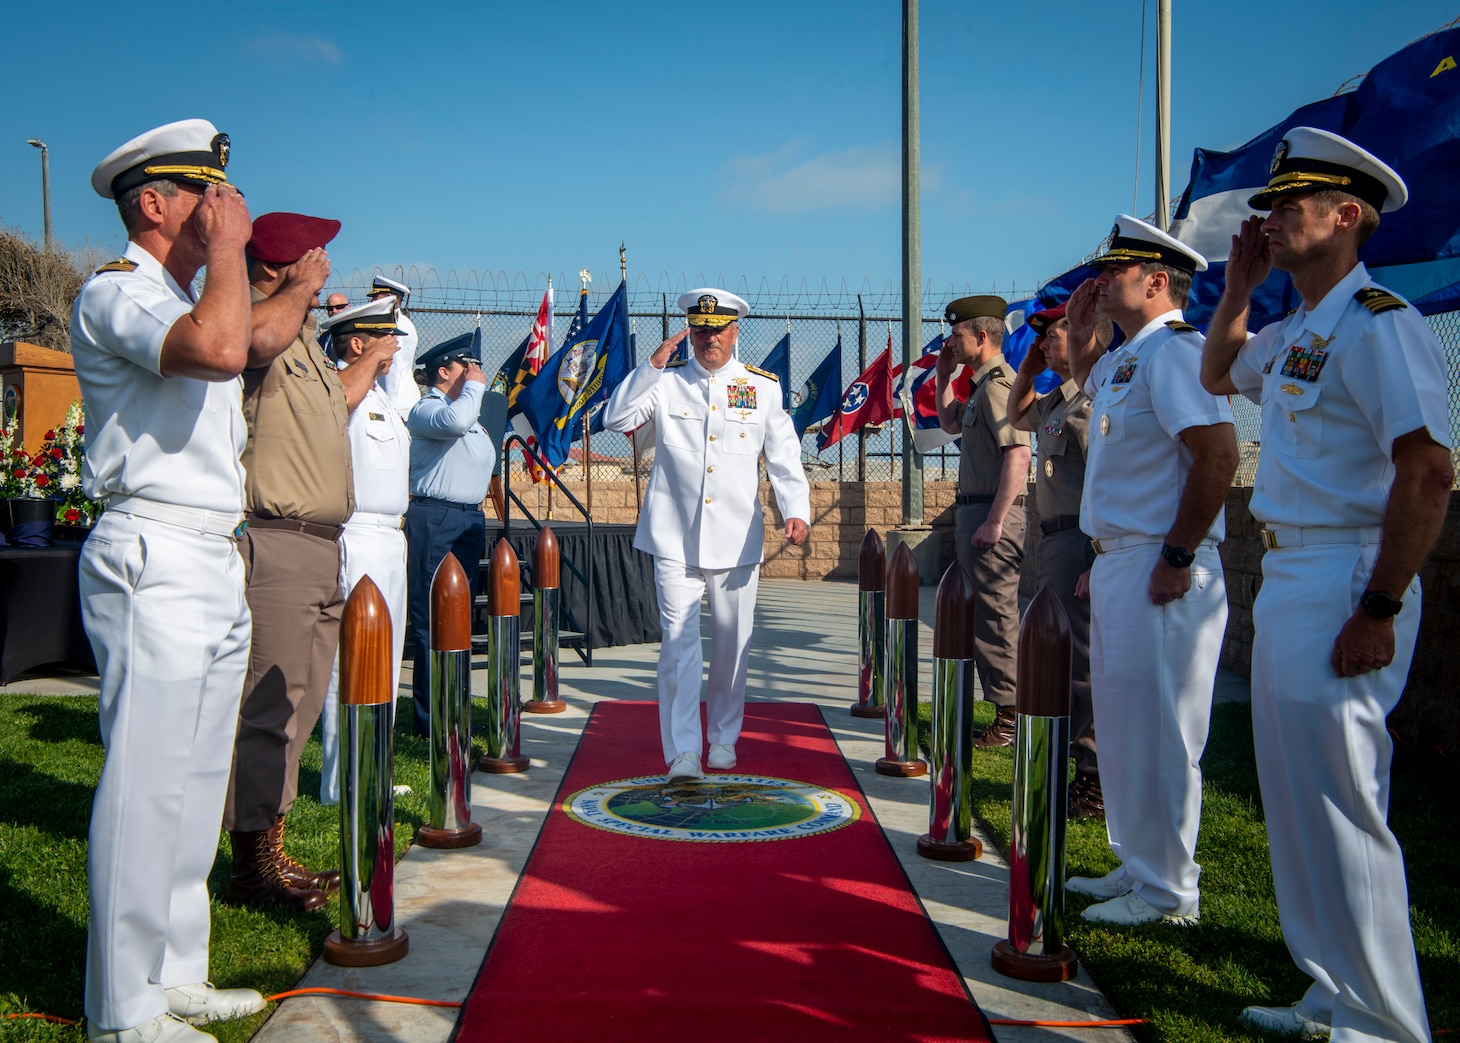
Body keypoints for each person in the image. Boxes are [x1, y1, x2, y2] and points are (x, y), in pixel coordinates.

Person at [1200, 128, 1449, 1042]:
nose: (1269, 218)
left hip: (1349, 570)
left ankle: (1385, 1020)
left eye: (1288, 204)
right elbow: (1219, 370)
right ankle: (1330, 987)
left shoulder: (1382, 321)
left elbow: (1426, 471)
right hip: (1291, 569)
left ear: (1347, 217)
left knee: (1345, 798)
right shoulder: (1300, 326)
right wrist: (1235, 288)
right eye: (1267, 205)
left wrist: (1380, 605)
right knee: (1299, 794)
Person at [73, 118, 266, 1043]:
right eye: (203, 192)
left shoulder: (188, 294)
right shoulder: (120, 292)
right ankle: (120, 1007)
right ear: (153, 204)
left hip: (207, 551)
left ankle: (174, 969)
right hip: (152, 547)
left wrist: (264, 272)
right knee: (146, 780)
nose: (222, 206)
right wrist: (229, 252)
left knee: (193, 780)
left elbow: (246, 337)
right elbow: (223, 350)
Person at [1063, 215, 1239, 926]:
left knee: (1164, 731)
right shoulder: (1131, 355)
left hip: (1161, 564)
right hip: (1121, 561)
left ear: (1157, 281)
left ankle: (1171, 892)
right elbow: (1094, 394)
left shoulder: (1176, 354)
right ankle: (1137, 864)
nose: (1101, 281)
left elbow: (1218, 456)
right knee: (1126, 722)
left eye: (1116, 273)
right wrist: (1079, 342)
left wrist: (1175, 553)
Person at [603, 288, 810, 782]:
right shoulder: (667, 385)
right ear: (689, 333)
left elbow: (783, 454)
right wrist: (651, 366)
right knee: (678, 645)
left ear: (735, 331)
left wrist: (795, 508)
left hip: (736, 539)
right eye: (699, 330)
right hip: (674, 538)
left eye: (717, 330)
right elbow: (616, 419)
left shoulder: (761, 388)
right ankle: (682, 752)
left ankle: (722, 738)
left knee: (730, 645)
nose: (708, 339)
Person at [222, 211, 352, 913]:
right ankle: (250, 865)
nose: (326, 263)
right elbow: (252, 340)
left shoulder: (301, 337)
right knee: (268, 705)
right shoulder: (262, 322)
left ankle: (271, 842)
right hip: (277, 539)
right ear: (284, 261)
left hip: (321, 545)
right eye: (315, 253)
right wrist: (296, 289)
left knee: (298, 707)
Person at [1007, 303, 1104, 818]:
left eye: (1055, 336)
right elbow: (1016, 414)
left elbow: (1101, 483)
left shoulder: (1093, 403)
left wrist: (1096, 557)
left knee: (1084, 662)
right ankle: (1077, 767)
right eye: (1041, 339)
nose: (1044, 345)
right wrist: (1028, 367)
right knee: (1063, 661)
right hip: (1055, 542)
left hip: (1082, 541)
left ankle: (1094, 780)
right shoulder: (1058, 402)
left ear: (1090, 337)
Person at [316, 297, 412, 805]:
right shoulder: (338, 390)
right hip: (355, 534)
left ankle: (374, 763)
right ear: (356, 343)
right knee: (351, 657)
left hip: (390, 538)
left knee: (386, 654)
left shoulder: (377, 395)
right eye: (385, 337)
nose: (396, 347)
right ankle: (342, 778)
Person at [934, 295, 1032, 747]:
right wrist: (942, 378)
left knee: (995, 616)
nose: (951, 343)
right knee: (982, 616)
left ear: (982, 336)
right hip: (977, 510)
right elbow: (951, 423)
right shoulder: (978, 386)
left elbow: (1019, 453)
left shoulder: (998, 386)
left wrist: (995, 520)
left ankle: (1011, 718)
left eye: (957, 335)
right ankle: (1005, 710)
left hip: (992, 513)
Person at [405, 332, 496, 736]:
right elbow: (457, 422)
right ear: (444, 371)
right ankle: (432, 719)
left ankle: (455, 707)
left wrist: (473, 390)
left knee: (458, 618)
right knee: (432, 618)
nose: (475, 373)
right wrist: (475, 388)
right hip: (435, 517)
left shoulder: (467, 412)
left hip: (467, 519)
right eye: (466, 366)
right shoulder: (429, 408)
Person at [367, 275, 422, 415]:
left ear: (389, 297)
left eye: (376, 297)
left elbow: (394, 367)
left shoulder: (393, 324)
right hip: (404, 398)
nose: (372, 301)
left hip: (396, 402)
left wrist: (388, 405)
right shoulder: (404, 322)